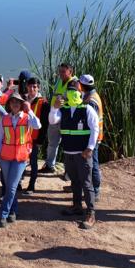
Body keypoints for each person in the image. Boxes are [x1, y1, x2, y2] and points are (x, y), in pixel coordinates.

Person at [50, 79, 99, 229]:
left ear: (80, 92)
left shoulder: (87, 108)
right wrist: (54, 107)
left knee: (86, 183)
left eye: (75, 90)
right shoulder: (63, 109)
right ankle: (77, 206)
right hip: (68, 152)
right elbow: (52, 121)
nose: (72, 93)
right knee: (75, 182)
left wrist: (90, 148)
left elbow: (95, 128)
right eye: (69, 90)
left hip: (82, 153)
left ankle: (91, 213)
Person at [0, 93, 41, 228]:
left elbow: (38, 126)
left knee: (12, 187)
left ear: (21, 104)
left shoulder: (27, 118)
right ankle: (13, 210)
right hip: (5, 157)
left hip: (20, 158)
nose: (15, 104)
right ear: (9, 105)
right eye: (12, 102)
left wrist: (29, 109)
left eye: (18, 102)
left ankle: (3, 214)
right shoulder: (5, 119)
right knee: (9, 187)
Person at [42, 62, 77, 176]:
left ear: (70, 72)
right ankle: (49, 165)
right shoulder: (59, 81)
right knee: (52, 143)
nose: (60, 74)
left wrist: (61, 103)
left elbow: (74, 101)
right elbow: (56, 95)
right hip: (54, 116)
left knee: (68, 145)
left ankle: (69, 171)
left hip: (66, 118)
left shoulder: (74, 83)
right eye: (60, 71)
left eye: (63, 71)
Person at [21, 78, 49, 194]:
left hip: (34, 138)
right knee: (21, 161)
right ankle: (18, 183)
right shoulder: (22, 100)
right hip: (21, 137)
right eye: (30, 86)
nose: (32, 89)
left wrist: (40, 140)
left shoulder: (43, 102)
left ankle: (31, 186)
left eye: (35, 87)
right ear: (27, 86)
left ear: (38, 88)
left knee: (33, 162)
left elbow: (45, 123)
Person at [80, 74, 105, 201]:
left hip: (93, 138)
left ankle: (95, 190)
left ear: (83, 85)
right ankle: (85, 187)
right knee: (91, 163)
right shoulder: (91, 95)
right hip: (94, 137)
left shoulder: (91, 100)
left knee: (93, 164)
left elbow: (93, 124)